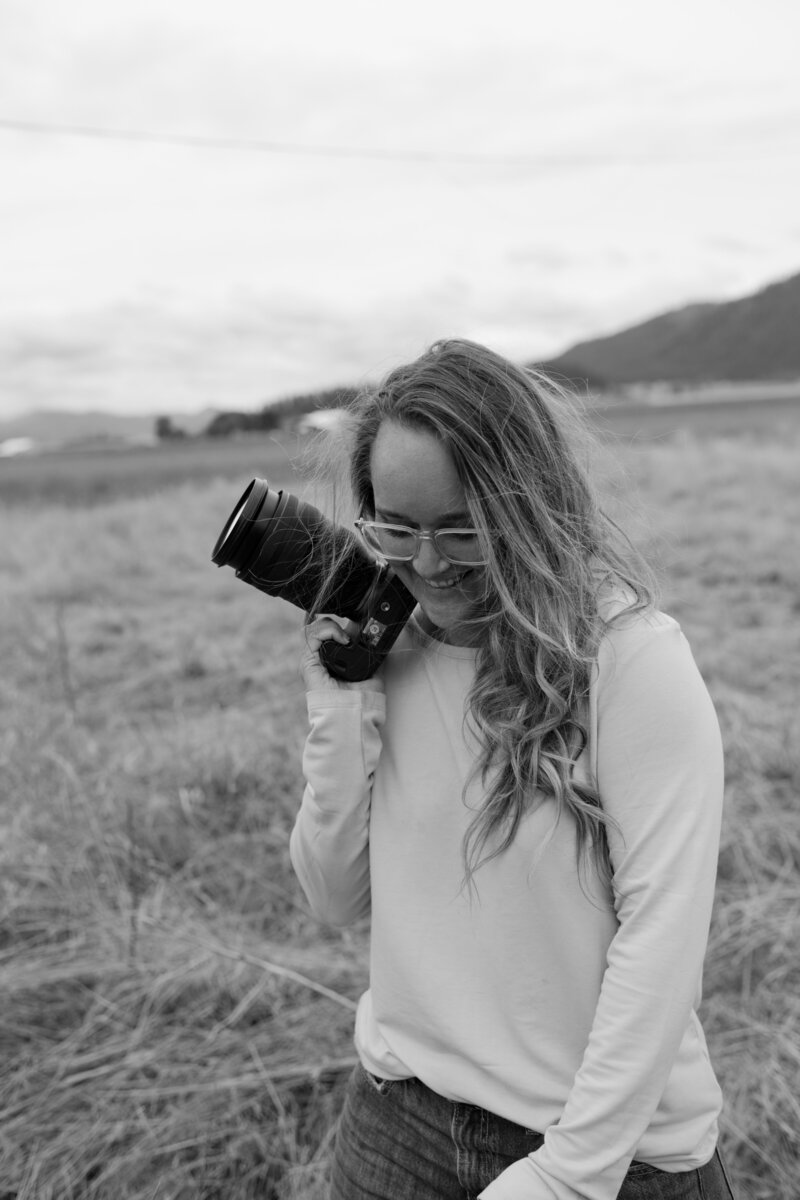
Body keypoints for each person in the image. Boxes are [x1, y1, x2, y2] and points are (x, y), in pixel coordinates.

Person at [289, 339, 735, 1200]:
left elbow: (663, 937)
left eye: (461, 528)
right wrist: (340, 701)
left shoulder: (628, 659)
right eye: (396, 527)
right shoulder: (391, 650)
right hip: (398, 1120)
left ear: (527, 505)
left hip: (611, 1151)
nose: (425, 564)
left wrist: (572, 1173)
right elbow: (333, 898)